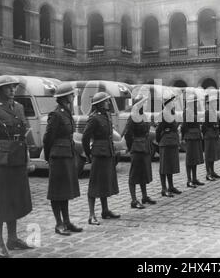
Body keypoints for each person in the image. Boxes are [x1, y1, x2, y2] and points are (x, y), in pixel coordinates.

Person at [0, 76, 33, 258]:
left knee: (14, 199)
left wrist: (28, 158)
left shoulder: (19, 108)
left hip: (18, 159)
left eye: (13, 87)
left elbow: (24, 135)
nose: (12, 90)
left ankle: (12, 238)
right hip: (0, 162)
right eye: (8, 87)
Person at [43, 82, 82, 236]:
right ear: (66, 97)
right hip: (58, 156)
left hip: (67, 155)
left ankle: (66, 221)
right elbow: (47, 138)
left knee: (65, 190)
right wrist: (49, 156)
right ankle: (58, 223)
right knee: (56, 191)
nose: (73, 96)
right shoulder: (56, 114)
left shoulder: (66, 112)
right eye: (72, 94)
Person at [82, 92, 120, 223]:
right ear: (99, 104)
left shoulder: (106, 115)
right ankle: (91, 215)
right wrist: (89, 154)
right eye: (106, 101)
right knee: (95, 184)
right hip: (98, 153)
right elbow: (85, 137)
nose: (108, 103)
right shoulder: (94, 118)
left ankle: (105, 210)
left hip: (108, 152)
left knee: (105, 182)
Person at [123, 95, 156, 209]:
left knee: (143, 172)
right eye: (143, 103)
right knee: (134, 174)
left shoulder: (143, 116)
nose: (145, 105)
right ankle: (133, 200)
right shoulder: (132, 117)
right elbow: (128, 134)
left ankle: (144, 196)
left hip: (145, 147)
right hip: (137, 148)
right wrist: (132, 146)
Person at [156, 95, 182, 197]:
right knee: (164, 166)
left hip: (172, 142)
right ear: (167, 104)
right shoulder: (163, 114)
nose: (173, 103)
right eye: (171, 102)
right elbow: (159, 130)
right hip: (165, 142)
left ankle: (171, 186)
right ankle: (164, 188)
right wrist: (160, 141)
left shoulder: (172, 113)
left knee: (170, 165)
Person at [181, 98, 205, 187]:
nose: (196, 104)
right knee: (190, 159)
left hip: (196, 136)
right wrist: (184, 137)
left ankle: (194, 178)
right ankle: (189, 180)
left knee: (195, 158)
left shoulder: (194, 111)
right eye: (195, 102)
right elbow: (184, 125)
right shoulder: (187, 111)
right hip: (190, 137)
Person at [202, 95, 220, 180]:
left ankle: (212, 171)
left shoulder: (214, 112)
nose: (215, 104)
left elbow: (218, 123)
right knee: (208, 155)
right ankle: (208, 173)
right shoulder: (207, 112)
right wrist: (208, 133)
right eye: (214, 102)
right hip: (209, 136)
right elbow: (204, 126)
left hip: (214, 135)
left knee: (213, 154)